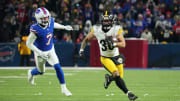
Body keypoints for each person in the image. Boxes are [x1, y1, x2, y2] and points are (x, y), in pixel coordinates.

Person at [79, 11, 138, 101]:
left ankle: (109, 79)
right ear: (101, 22)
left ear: (111, 22)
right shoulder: (96, 30)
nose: (106, 23)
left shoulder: (116, 29)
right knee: (116, 74)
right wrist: (81, 49)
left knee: (119, 78)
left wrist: (114, 44)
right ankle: (129, 93)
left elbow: (123, 44)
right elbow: (86, 39)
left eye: (108, 21)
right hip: (105, 57)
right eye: (105, 21)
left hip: (116, 56)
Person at [26, 7, 73, 96]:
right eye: (43, 18)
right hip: (40, 52)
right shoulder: (35, 29)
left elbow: (53, 24)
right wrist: (40, 52)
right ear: (38, 19)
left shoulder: (50, 21)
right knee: (41, 71)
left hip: (51, 49)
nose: (46, 19)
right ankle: (31, 73)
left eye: (47, 17)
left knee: (58, 67)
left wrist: (64, 27)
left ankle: (64, 88)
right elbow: (28, 44)